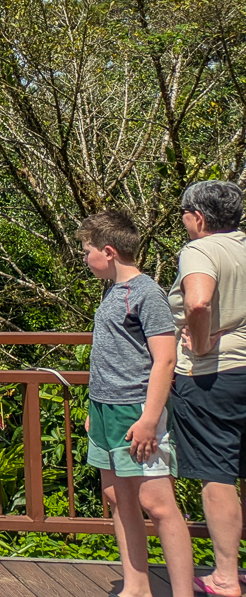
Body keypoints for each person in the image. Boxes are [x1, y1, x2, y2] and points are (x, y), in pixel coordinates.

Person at [78, 210, 192, 597]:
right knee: (117, 498)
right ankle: (136, 586)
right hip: (105, 408)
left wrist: (149, 418)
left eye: (86, 250)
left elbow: (165, 359)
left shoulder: (147, 292)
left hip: (137, 411)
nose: (84, 257)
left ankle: (182, 592)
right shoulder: (111, 290)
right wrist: (93, 407)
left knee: (158, 505)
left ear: (109, 252)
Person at [166, 180, 246, 597]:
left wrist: (200, 343)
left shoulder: (201, 249)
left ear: (198, 216)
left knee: (218, 474)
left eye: (182, 213)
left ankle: (225, 576)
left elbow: (198, 302)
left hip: (215, 375)